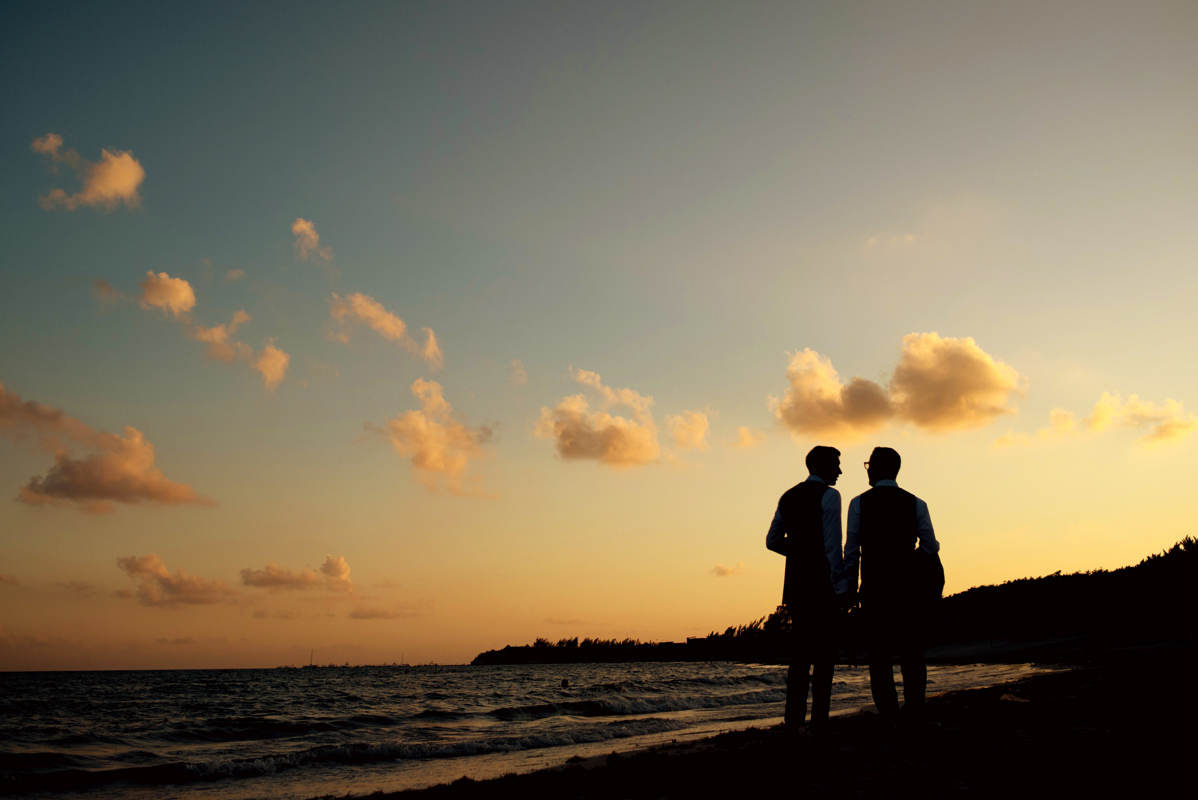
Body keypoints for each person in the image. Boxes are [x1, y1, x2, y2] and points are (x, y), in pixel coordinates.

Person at [844, 446, 940, 721]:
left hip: (875, 588)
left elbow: (851, 551)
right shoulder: (916, 502)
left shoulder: (859, 503)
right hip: (908, 589)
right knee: (912, 652)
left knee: (880, 656)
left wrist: (849, 589)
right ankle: (915, 709)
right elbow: (931, 546)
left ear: (876, 468)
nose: (868, 469)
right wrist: (912, 560)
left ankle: (889, 714)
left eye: (869, 464)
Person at [766, 445, 850, 732]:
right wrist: (842, 585)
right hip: (822, 585)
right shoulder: (830, 495)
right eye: (836, 465)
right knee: (824, 658)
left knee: (799, 658)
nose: (839, 471)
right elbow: (831, 546)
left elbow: (773, 540)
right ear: (823, 466)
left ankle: (792, 724)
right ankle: (819, 724)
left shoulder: (787, 496)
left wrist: (800, 551)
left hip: (797, 587)